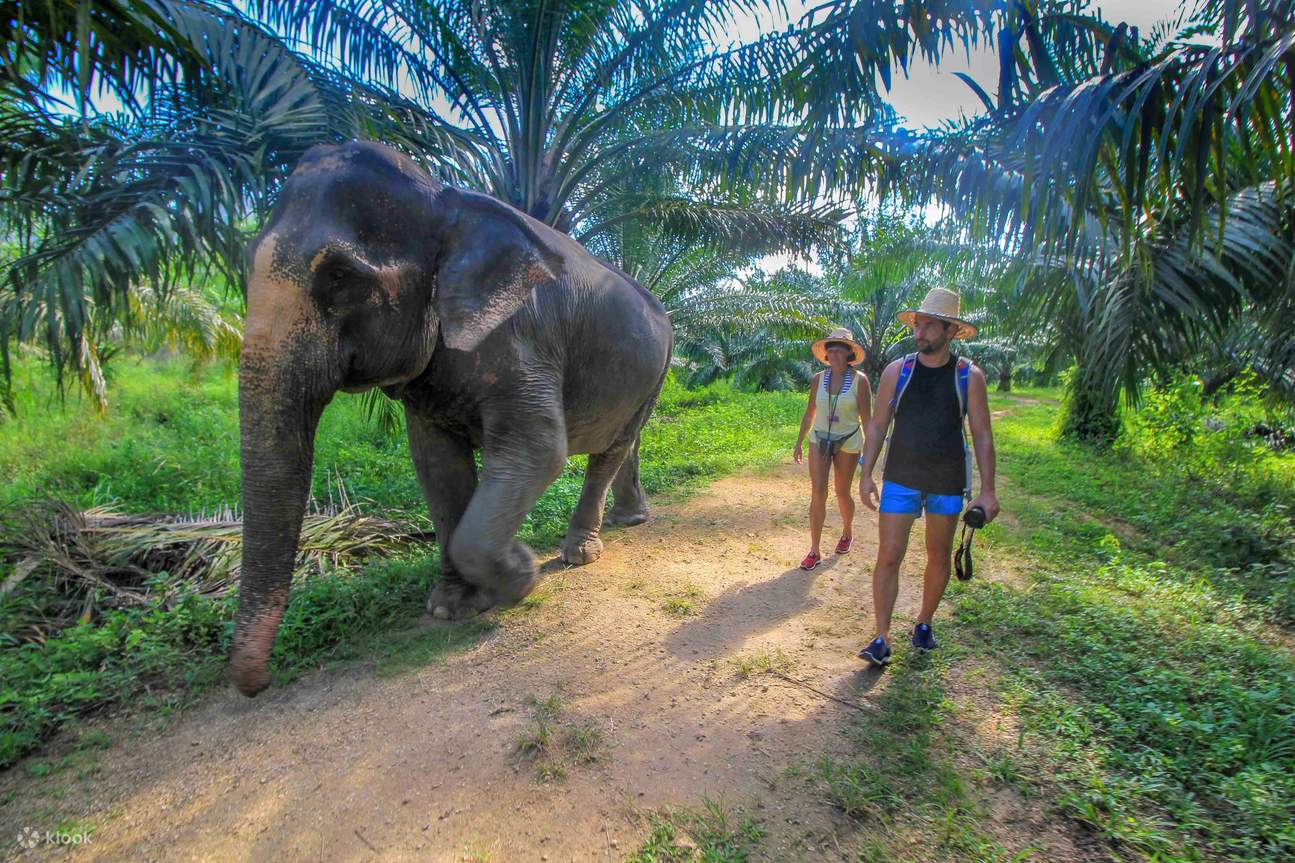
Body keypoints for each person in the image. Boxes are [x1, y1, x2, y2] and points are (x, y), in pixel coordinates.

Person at [855, 289, 999, 666]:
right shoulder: (896, 371)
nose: (920, 332)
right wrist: (866, 474)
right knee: (889, 554)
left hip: (947, 480)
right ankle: (882, 637)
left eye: (930, 325)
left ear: (950, 330)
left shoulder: (970, 376)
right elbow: (878, 425)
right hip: (901, 476)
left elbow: (982, 434)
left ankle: (924, 622)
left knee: (937, 555)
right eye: (918, 324)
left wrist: (989, 491)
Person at [794, 328, 873, 570]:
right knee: (818, 491)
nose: (835, 353)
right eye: (831, 348)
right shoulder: (819, 379)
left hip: (848, 440)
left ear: (849, 353)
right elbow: (810, 412)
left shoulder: (860, 381)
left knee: (841, 491)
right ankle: (814, 550)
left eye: (840, 348)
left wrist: (871, 452)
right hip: (819, 439)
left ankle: (847, 532)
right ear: (826, 354)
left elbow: (867, 419)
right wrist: (799, 441)